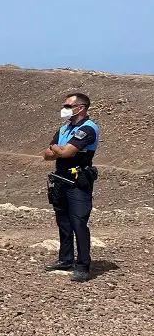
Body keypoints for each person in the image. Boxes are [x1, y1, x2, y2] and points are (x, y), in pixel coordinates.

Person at [42, 93, 100, 282]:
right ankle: (65, 259)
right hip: (60, 180)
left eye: (68, 105)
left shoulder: (88, 129)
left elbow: (66, 152)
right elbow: (46, 154)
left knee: (78, 223)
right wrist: (60, 150)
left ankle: (83, 265)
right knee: (63, 222)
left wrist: (59, 150)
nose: (64, 108)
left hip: (77, 183)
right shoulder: (64, 128)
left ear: (80, 108)